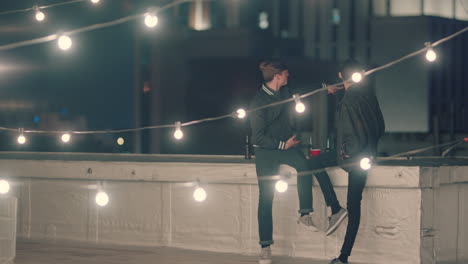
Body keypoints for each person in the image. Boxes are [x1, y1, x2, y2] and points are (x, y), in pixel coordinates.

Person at [249, 60, 347, 264]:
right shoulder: (258, 102)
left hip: (287, 147)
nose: (288, 76)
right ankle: (265, 247)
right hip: (267, 152)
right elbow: (257, 138)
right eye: (285, 74)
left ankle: (305, 214)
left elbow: (304, 90)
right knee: (266, 198)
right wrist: (283, 145)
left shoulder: (285, 93)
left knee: (305, 166)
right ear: (277, 76)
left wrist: (324, 88)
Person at [326, 59, 385, 264]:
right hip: (367, 155)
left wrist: (345, 154)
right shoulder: (367, 95)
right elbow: (380, 127)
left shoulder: (349, 100)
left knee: (352, 205)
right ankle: (343, 256)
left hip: (353, 158)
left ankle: (343, 255)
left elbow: (348, 130)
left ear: (341, 75)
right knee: (354, 205)